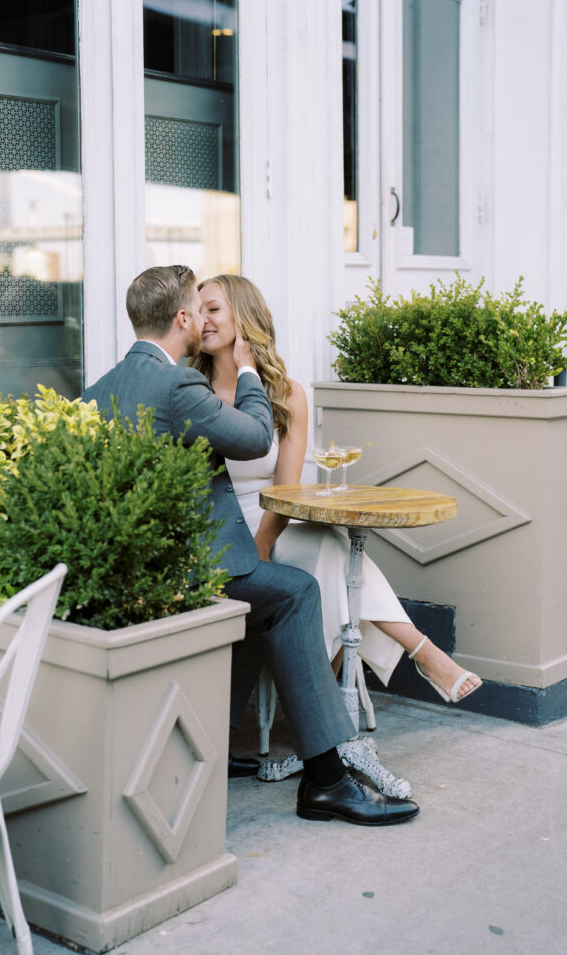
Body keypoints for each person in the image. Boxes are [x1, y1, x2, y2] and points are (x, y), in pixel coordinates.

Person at [81, 264, 418, 827]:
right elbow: (257, 437)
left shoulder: (101, 387)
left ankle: (216, 743)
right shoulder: (180, 384)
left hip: (144, 565)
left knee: (271, 592)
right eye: (199, 307)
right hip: (191, 568)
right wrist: (249, 375)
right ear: (183, 317)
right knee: (294, 594)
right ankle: (328, 781)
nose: (204, 319)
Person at [191, 274, 483, 709]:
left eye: (213, 309)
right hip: (222, 526)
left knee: (331, 547)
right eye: (199, 312)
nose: (203, 320)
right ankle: (412, 658)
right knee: (333, 554)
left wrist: (265, 543)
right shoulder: (193, 391)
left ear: (244, 317)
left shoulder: (287, 393)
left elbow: (285, 488)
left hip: (272, 519)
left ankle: (326, 699)